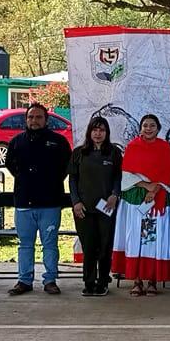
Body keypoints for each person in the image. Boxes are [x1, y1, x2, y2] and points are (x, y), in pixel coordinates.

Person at [5, 103, 72, 296]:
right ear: (26, 120)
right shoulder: (16, 142)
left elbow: (65, 167)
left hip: (50, 203)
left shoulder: (58, 142)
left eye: (38, 117)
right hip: (24, 203)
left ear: (46, 120)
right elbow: (11, 165)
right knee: (25, 244)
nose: (34, 120)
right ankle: (24, 280)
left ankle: (50, 280)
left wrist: (48, 180)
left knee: (50, 244)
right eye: (31, 117)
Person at [111, 114, 170, 297]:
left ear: (158, 128)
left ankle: (152, 281)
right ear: (140, 128)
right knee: (136, 239)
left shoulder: (165, 147)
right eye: (145, 125)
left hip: (158, 199)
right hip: (135, 198)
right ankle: (137, 280)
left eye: (152, 125)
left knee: (153, 240)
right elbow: (126, 173)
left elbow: (168, 171)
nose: (148, 128)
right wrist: (146, 186)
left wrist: (154, 189)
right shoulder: (133, 146)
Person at [70, 116, 122, 297]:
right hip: (84, 208)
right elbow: (73, 179)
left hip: (106, 207)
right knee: (89, 246)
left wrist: (115, 194)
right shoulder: (78, 153)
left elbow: (118, 177)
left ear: (107, 133)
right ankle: (89, 282)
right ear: (89, 132)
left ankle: (103, 281)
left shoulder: (114, 153)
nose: (98, 133)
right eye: (95, 130)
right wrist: (76, 202)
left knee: (105, 245)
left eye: (102, 130)